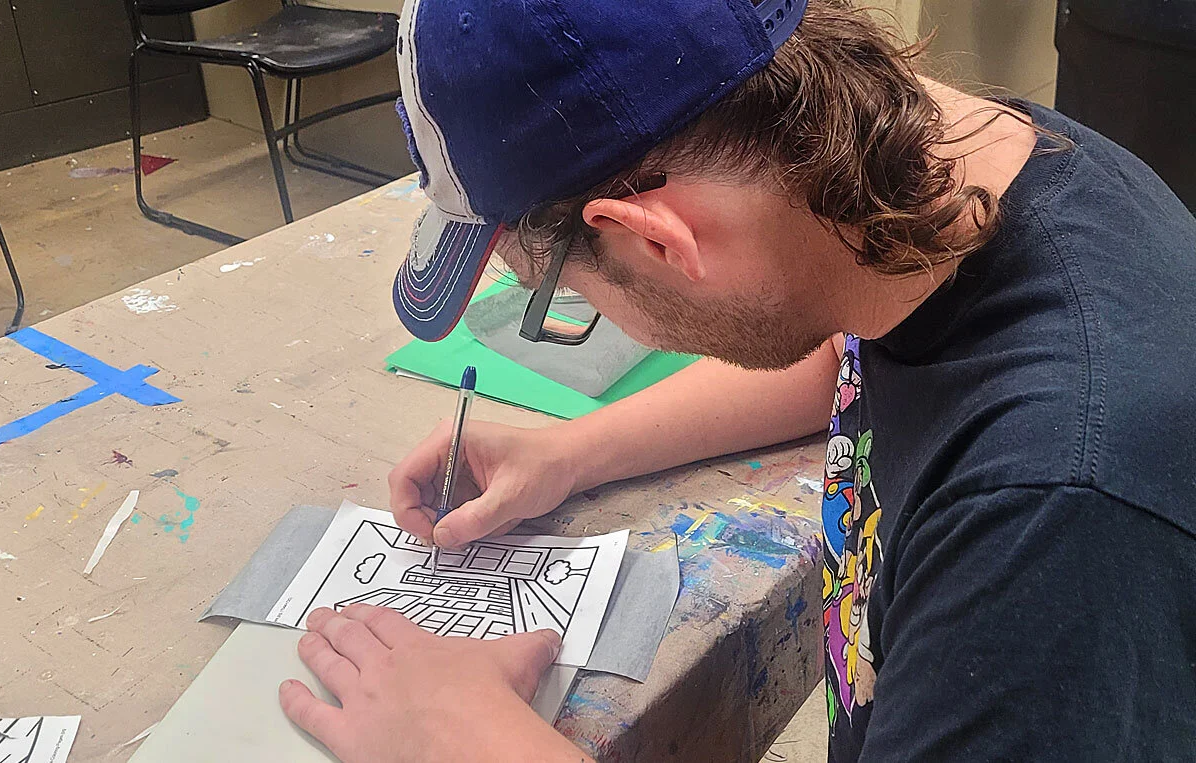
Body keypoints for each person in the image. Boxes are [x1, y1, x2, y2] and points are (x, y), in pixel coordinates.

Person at [277, 0, 1196, 760]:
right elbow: (842, 348)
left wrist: (464, 740)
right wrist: (570, 450)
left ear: (653, 239)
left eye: (557, 293)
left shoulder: (1053, 520)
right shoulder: (969, 169)